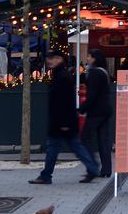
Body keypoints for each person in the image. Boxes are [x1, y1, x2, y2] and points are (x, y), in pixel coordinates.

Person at [30, 52, 100, 184]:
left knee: (57, 148)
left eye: (52, 58)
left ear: (59, 59)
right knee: (72, 146)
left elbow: (64, 101)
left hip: (61, 121)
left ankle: (46, 176)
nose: (49, 61)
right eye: (48, 58)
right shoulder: (61, 75)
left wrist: (63, 122)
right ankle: (92, 168)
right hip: (63, 120)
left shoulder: (62, 76)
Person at [79, 49, 113, 178]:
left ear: (95, 59)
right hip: (106, 109)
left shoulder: (94, 73)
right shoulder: (104, 72)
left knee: (85, 138)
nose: (87, 59)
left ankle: (92, 166)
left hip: (96, 111)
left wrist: (82, 109)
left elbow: (92, 95)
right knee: (103, 140)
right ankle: (106, 169)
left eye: (89, 57)